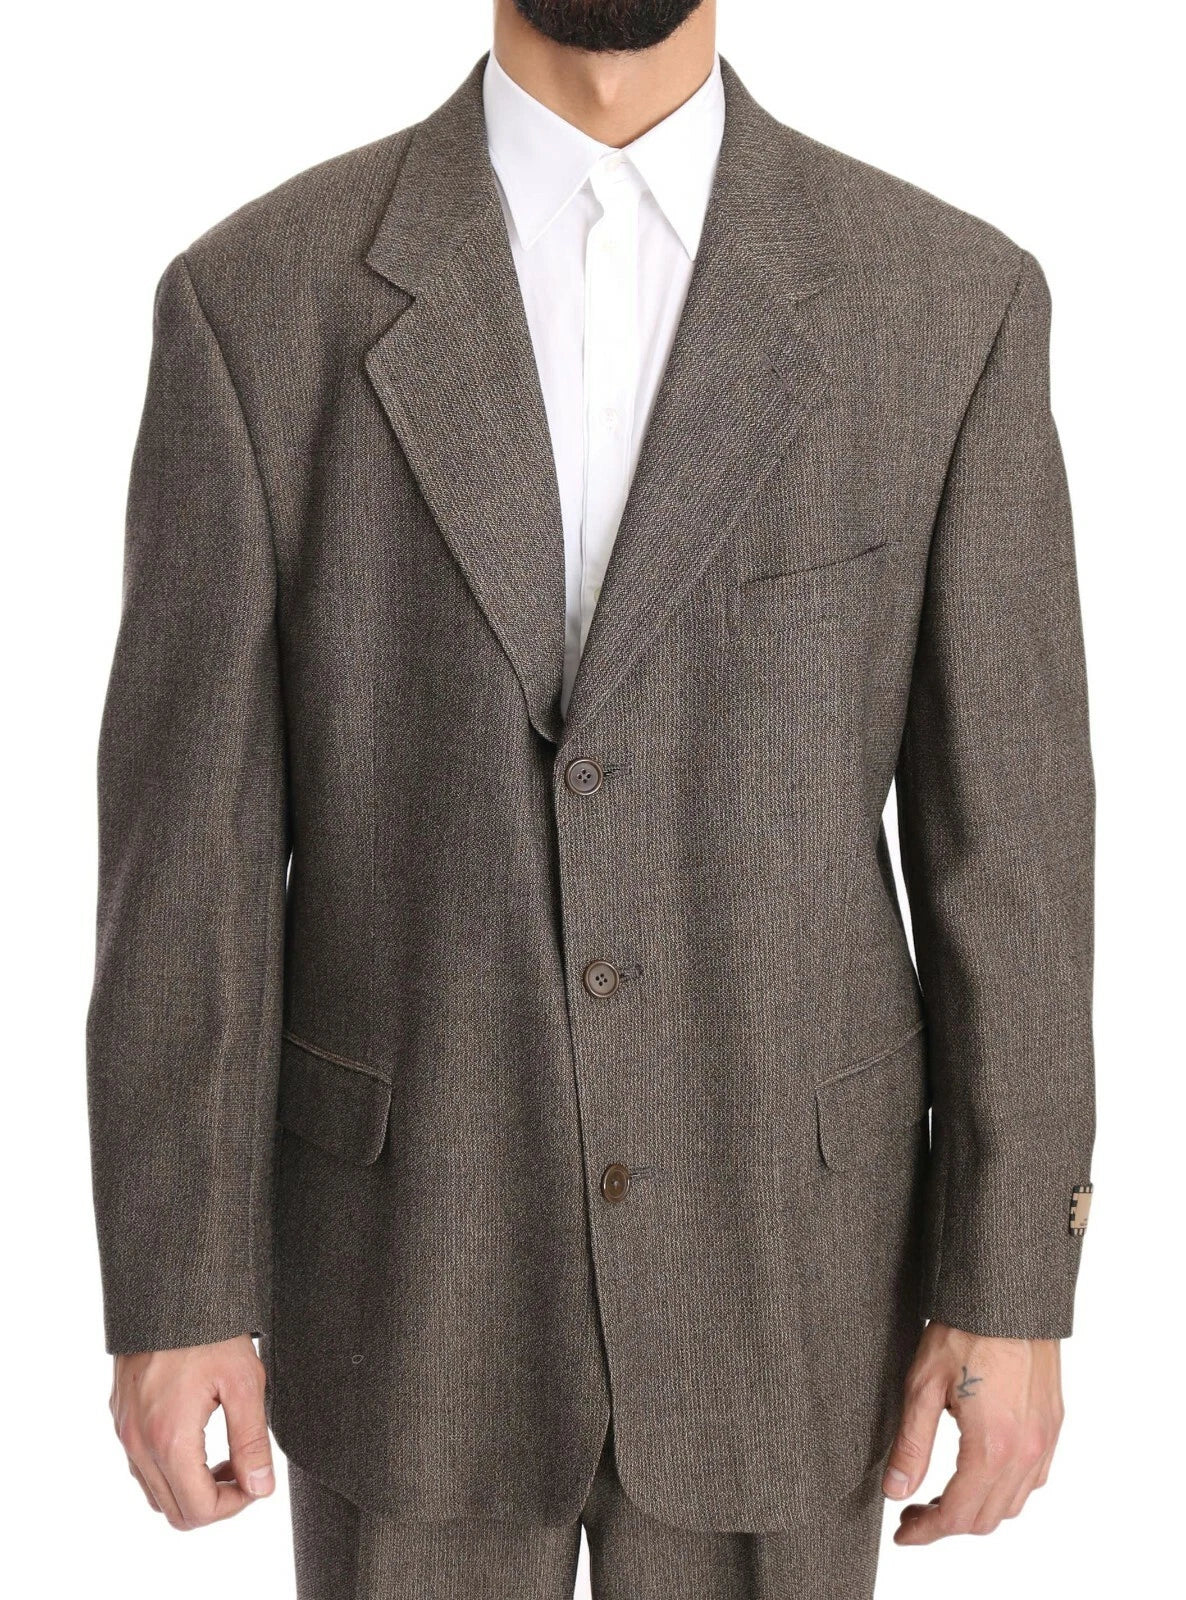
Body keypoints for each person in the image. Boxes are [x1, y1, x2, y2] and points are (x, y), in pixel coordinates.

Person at [87, 1, 1096, 1595]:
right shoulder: (258, 301)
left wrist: (1012, 1279)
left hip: (790, 1275)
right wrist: (175, 1283)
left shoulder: (945, 304)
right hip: (409, 1274)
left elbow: (1010, 850)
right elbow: (184, 853)